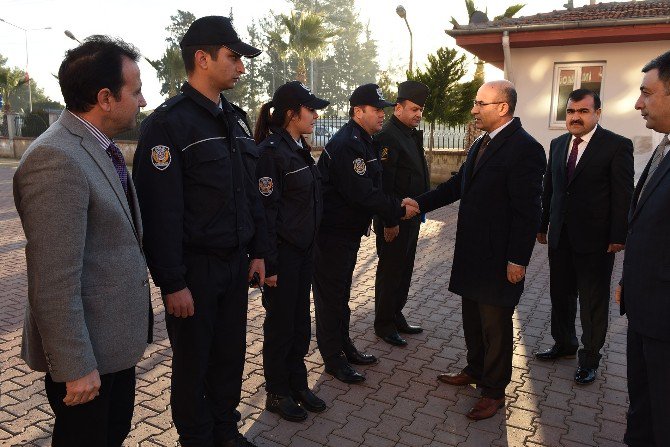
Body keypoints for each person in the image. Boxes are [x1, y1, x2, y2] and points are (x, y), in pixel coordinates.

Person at [132, 16, 267, 447]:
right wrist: (172, 282)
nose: (242, 67)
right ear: (203, 58)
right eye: (234, 57)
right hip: (195, 271)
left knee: (230, 357)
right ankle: (197, 437)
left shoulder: (235, 120)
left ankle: (225, 430)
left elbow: (250, 195)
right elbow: (159, 212)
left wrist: (259, 251)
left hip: (235, 264)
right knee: (194, 363)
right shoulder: (169, 124)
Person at [13, 36, 152, 447]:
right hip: (86, 357)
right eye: (137, 90)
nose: (143, 101)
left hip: (111, 347)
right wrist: (76, 366)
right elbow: (52, 279)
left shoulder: (96, 148)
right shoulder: (56, 158)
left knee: (111, 435)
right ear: (105, 98)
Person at [404, 80, 546, 420]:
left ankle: (494, 392)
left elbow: (529, 211)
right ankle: (476, 370)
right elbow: (456, 186)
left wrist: (518, 259)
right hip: (472, 252)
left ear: (502, 108)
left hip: (500, 258)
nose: (474, 109)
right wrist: (419, 203)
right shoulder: (483, 141)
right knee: (473, 319)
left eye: (481, 103)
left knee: (495, 327)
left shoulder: (526, 149)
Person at [313, 83, 418, 384]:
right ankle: (333, 359)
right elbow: (363, 194)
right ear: (358, 112)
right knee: (331, 299)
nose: (382, 115)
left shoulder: (364, 140)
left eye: (383, 110)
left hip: (346, 235)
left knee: (340, 296)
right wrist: (397, 210)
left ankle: (344, 347)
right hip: (332, 236)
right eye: (376, 110)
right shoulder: (348, 144)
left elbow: (374, 187)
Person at [534, 89, 633, 384]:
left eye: (583, 111)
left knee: (592, 301)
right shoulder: (557, 144)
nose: (575, 117)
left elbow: (623, 194)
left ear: (598, 113)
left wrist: (619, 235)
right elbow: (550, 189)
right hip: (560, 236)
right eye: (571, 111)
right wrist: (542, 225)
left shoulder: (617, 146)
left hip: (596, 240)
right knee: (560, 295)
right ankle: (564, 344)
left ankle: (589, 358)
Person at [253, 81, 329, 422]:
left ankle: (297, 383)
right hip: (282, 257)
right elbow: (265, 213)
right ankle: (277, 391)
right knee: (281, 326)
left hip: (303, 253)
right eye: (310, 109)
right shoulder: (271, 153)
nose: (315, 115)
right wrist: (269, 265)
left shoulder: (299, 148)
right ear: (290, 113)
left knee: (299, 324)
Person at [616, 50, 670, 447]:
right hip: (645, 312)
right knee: (644, 410)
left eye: (646, 93)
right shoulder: (664, 145)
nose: (638, 103)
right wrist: (630, 281)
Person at [373, 80, 430, 347]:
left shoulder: (408, 133)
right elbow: (384, 186)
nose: (418, 114)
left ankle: (396, 315)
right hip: (394, 219)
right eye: (414, 109)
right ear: (398, 108)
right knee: (390, 271)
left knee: (404, 269)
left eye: (421, 110)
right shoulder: (388, 137)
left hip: (412, 218)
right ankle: (384, 324)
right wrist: (389, 221)